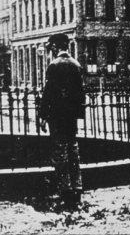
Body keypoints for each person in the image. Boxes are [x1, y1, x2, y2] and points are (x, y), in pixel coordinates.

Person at [40, 33, 86, 208]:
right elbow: (81, 94)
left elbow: (48, 94)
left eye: (51, 47)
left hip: (57, 117)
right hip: (71, 117)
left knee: (60, 151)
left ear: (55, 47)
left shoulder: (53, 66)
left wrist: (43, 116)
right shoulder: (76, 65)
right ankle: (78, 187)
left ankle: (65, 189)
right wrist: (77, 114)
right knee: (73, 149)